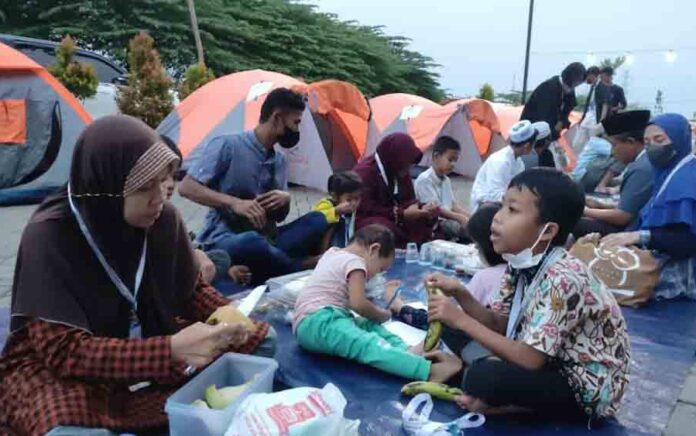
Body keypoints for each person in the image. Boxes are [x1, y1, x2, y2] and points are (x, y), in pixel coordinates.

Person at [0, 115, 274, 436]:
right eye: (144, 187)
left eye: (164, 180)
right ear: (107, 187)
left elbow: (190, 292)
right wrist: (169, 349)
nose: (160, 196)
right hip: (61, 371)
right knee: (64, 426)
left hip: (139, 346)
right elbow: (66, 354)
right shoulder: (50, 235)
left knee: (263, 343)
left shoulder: (163, 219)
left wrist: (230, 321)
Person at [427, 168, 630, 419]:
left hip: (579, 382)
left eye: (512, 210)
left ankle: (507, 396)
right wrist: (461, 295)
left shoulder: (563, 279)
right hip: (542, 359)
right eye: (502, 206)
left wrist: (462, 319)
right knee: (449, 325)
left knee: (483, 378)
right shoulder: (519, 263)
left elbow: (530, 359)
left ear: (547, 231)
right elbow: (499, 324)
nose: (498, 218)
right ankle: (486, 371)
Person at [178, 88, 328, 284]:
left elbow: (280, 217)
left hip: (268, 237)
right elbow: (186, 187)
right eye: (296, 123)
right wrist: (234, 203)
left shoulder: (280, 161)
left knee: (319, 219)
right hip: (227, 238)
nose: (297, 130)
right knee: (251, 243)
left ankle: (268, 265)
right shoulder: (228, 145)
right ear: (277, 117)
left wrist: (285, 200)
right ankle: (298, 266)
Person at [293, 224, 462, 382]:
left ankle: (406, 351)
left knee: (367, 325)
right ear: (374, 249)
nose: (376, 275)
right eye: (381, 269)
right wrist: (382, 315)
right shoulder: (356, 263)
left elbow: (348, 300)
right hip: (320, 322)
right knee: (367, 344)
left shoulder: (333, 253)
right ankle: (427, 371)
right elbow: (358, 303)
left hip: (320, 320)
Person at [602, 113, 696, 300]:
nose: (652, 146)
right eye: (647, 142)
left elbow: (688, 241)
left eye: (659, 139)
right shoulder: (666, 173)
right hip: (658, 258)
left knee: (601, 279)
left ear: (679, 140)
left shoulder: (688, 180)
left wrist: (638, 236)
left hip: (681, 272)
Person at [386, 204, 507, 329]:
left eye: (476, 245)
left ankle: (399, 307)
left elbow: (448, 321)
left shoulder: (485, 277)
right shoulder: (514, 272)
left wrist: (401, 308)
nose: (475, 248)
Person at [160, 135, 252, 286]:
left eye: (174, 177)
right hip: (172, 279)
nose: (170, 184)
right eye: (161, 177)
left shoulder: (167, 213)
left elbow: (182, 244)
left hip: (195, 261)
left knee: (222, 259)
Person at [575, 110, 653, 237]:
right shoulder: (645, 162)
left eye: (613, 145)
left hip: (633, 231)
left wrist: (584, 211)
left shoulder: (641, 168)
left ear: (630, 142)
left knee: (573, 223)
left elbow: (622, 217)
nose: (611, 152)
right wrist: (599, 205)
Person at [354, 133, 438, 247]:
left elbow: (408, 199)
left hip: (394, 216)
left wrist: (422, 208)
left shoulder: (398, 169)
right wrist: (401, 214)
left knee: (424, 219)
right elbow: (365, 208)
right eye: (406, 164)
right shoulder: (365, 173)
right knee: (383, 230)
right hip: (368, 218)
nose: (408, 168)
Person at [470, 120, 536, 213]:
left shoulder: (519, 162)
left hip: (504, 202)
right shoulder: (501, 161)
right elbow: (493, 195)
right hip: (484, 208)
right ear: (527, 145)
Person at [414, 136, 471, 242]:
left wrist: (469, 216)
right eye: (450, 159)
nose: (453, 164)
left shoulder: (446, 180)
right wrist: (459, 218)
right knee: (465, 229)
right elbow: (437, 210)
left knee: (474, 224)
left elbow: (453, 205)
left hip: (449, 218)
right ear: (436, 156)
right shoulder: (425, 180)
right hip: (436, 222)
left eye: (455, 161)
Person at [521, 62, 586, 141]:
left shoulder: (569, 89)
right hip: (533, 128)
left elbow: (568, 107)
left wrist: (562, 121)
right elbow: (543, 116)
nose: (576, 86)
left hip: (550, 130)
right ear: (570, 79)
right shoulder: (548, 88)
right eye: (576, 83)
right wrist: (554, 129)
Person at [312, 171, 362, 251]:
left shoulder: (355, 211)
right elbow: (316, 219)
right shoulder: (326, 205)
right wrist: (335, 211)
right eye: (349, 199)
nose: (354, 203)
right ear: (335, 196)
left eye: (357, 199)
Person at [572, 66, 602, 153]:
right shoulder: (593, 87)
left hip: (594, 121)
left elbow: (605, 105)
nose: (586, 79)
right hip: (588, 119)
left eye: (587, 76)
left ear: (592, 75)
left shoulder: (602, 87)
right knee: (578, 143)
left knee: (591, 146)